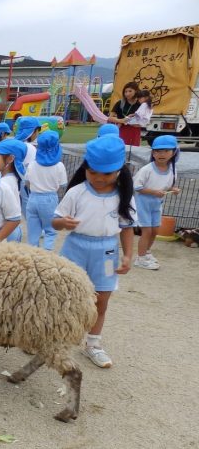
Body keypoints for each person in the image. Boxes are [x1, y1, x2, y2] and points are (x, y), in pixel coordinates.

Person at [52, 135, 136, 368]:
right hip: (75, 248)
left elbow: (127, 228)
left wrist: (128, 255)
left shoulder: (124, 196)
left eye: (106, 173)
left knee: (102, 300)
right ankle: (55, 338)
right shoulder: (77, 192)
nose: (98, 178)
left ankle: (93, 344)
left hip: (107, 252)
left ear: (119, 170)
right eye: (93, 172)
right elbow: (55, 221)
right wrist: (62, 223)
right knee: (64, 296)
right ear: (85, 168)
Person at [133, 134, 181, 270]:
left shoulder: (173, 170)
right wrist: (154, 192)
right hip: (143, 203)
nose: (161, 154)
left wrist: (174, 189)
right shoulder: (146, 169)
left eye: (166, 151)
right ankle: (140, 259)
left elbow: (168, 186)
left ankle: (146, 252)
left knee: (155, 231)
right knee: (147, 231)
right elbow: (137, 187)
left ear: (173, 152)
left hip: (157, 204)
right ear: (153, 153)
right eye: (158, 151)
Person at [25, 130, 67, 249]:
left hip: (32, 198)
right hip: (49, 198)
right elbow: (63, 185)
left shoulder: (32, 164)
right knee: (50, 231)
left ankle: (32, 256)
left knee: (33, 233)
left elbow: (27, 182)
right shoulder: (59, 166)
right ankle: (46, 256)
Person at [0, 139, 27, 241]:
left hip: (6, 232)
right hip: (12, 231)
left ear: (10, 159)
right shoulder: (11, 178)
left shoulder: (4, 183)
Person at [107, 81, 141, 146]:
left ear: (136, 91)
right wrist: (121, 120)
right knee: (120, 148)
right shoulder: (120, 103)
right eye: (126, 91)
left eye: (130, 91)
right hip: (121, 129)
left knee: (133, 151)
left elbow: (143, 120)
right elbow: (110, 118)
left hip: (135, 131)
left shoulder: (140, 103)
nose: (127, 94)